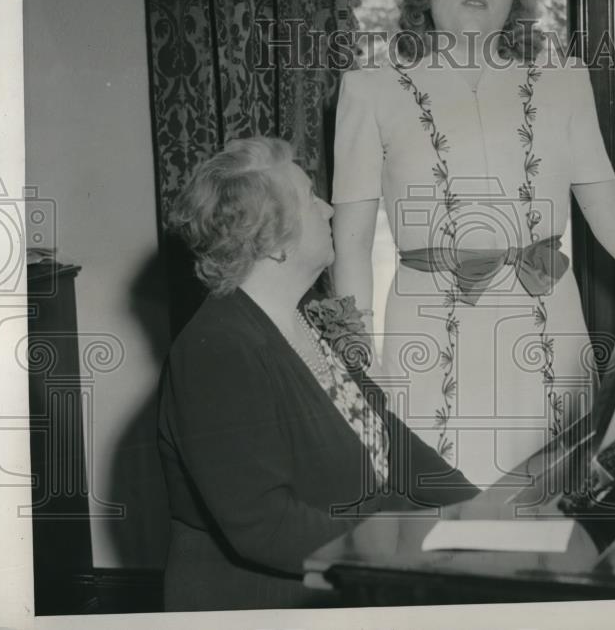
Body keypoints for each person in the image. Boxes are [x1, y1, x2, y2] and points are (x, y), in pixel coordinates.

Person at [332, 0, 615, 489]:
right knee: (444, 505)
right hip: (426, 331)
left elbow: (608, 208)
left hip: (549, 320)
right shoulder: (370, 89)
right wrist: (362, 361)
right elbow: (350, 243)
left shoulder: (563, 81)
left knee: (555, 500)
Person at [157, 136, 476, 611]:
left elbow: (387, 434)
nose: (328, 210)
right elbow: (269, 528)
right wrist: (409, 540)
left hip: (345, 576)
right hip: (268, 601)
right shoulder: (217, 350)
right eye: (310, 198)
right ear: (274, 241)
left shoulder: (304, 318)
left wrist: (477, 511)